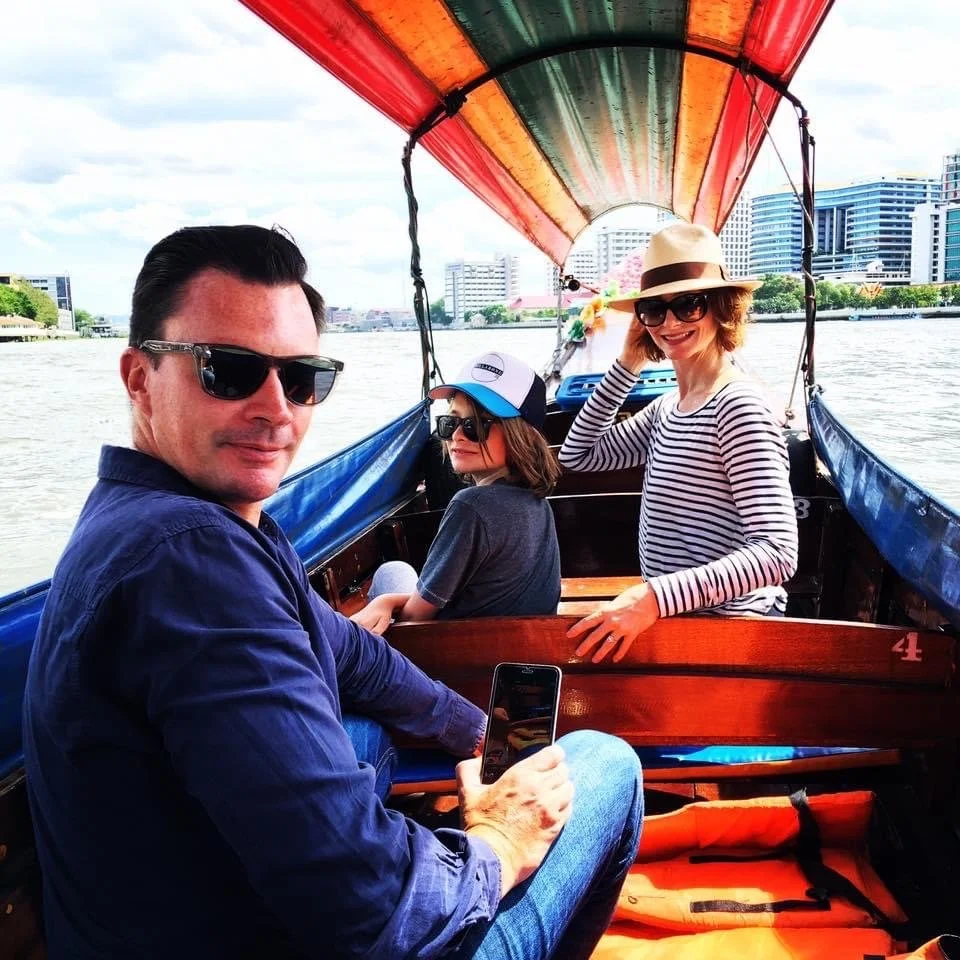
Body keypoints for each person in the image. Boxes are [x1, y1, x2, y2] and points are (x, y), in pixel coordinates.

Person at [22, 224, 643, 959]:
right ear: (138, 379)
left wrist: (474, 731)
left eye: (300, 378)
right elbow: (371, 910)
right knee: (606, 764)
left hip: (175, 902)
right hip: (284, 929)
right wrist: (501, 840)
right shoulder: (190, 559)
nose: (275, 408)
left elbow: (349, 651)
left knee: (369, 735)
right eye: (229, 370)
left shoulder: (173, 520)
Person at [558, 222, 799, 664]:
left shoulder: (737, 406)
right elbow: (578, 454)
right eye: (653, 309)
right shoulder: (669, 408)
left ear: (722, 309)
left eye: (689, 305)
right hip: (678, 618)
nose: (669, 323)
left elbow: (777, 554)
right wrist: (627, 363)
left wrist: (652, 598)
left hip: (728, 631)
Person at [352, 352, 562, 634]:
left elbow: (416, 616)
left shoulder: (472, 506)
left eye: (476, 426)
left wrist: (387, 601)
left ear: (519, 435)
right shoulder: (537, 501)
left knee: (391, 572)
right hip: (519, 646)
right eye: (450, 423)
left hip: (456, 653)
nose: (457, 436)